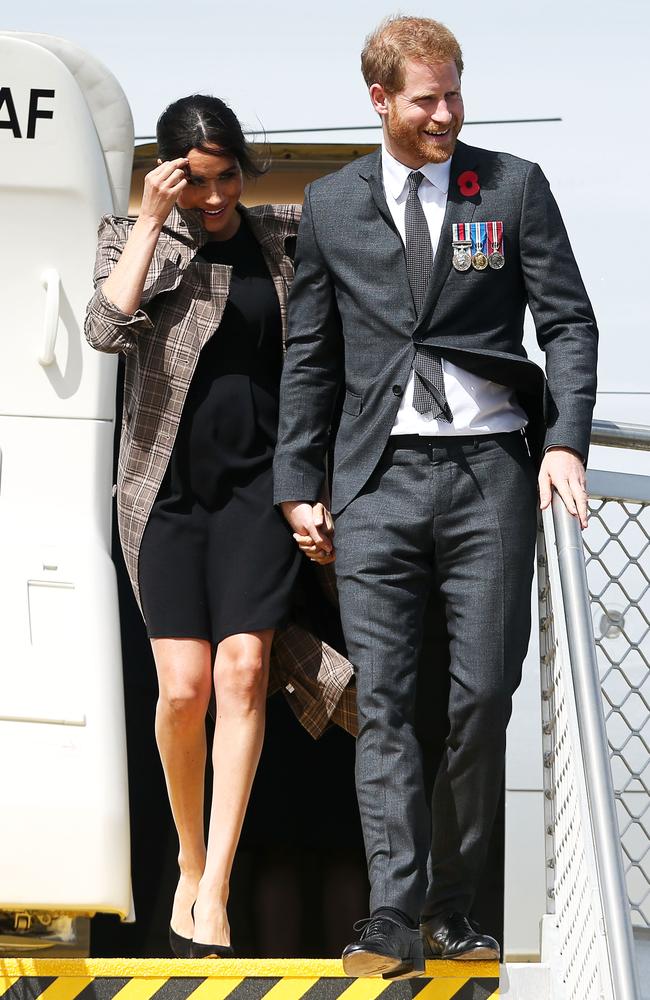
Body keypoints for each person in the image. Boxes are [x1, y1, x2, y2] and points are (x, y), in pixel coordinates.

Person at [274, 15, 598, 976]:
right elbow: (310, 357)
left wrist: (567, 441)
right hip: (375, 481)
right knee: (384, 703)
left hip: (489, 475)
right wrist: (299, 485)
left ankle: (454, 907)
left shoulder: (511, 186)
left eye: (456, 92)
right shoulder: (330, 205)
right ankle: (391, 915)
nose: (448, 112)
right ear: (380, 100)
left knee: (480, 697)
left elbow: (569, 324)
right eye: (427, 98)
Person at [85, 95, 354, 960]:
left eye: (225, 176)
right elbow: (103, 325)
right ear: (171, 176)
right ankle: (188, 859)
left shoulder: (279, 235)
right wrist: (150, 221)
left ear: (244, 167)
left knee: (242, 674)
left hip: (256, 492)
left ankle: (216, 885)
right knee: (183, 691)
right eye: (195, 181)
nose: (213, 197)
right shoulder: (135, 238)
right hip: (164, 497)